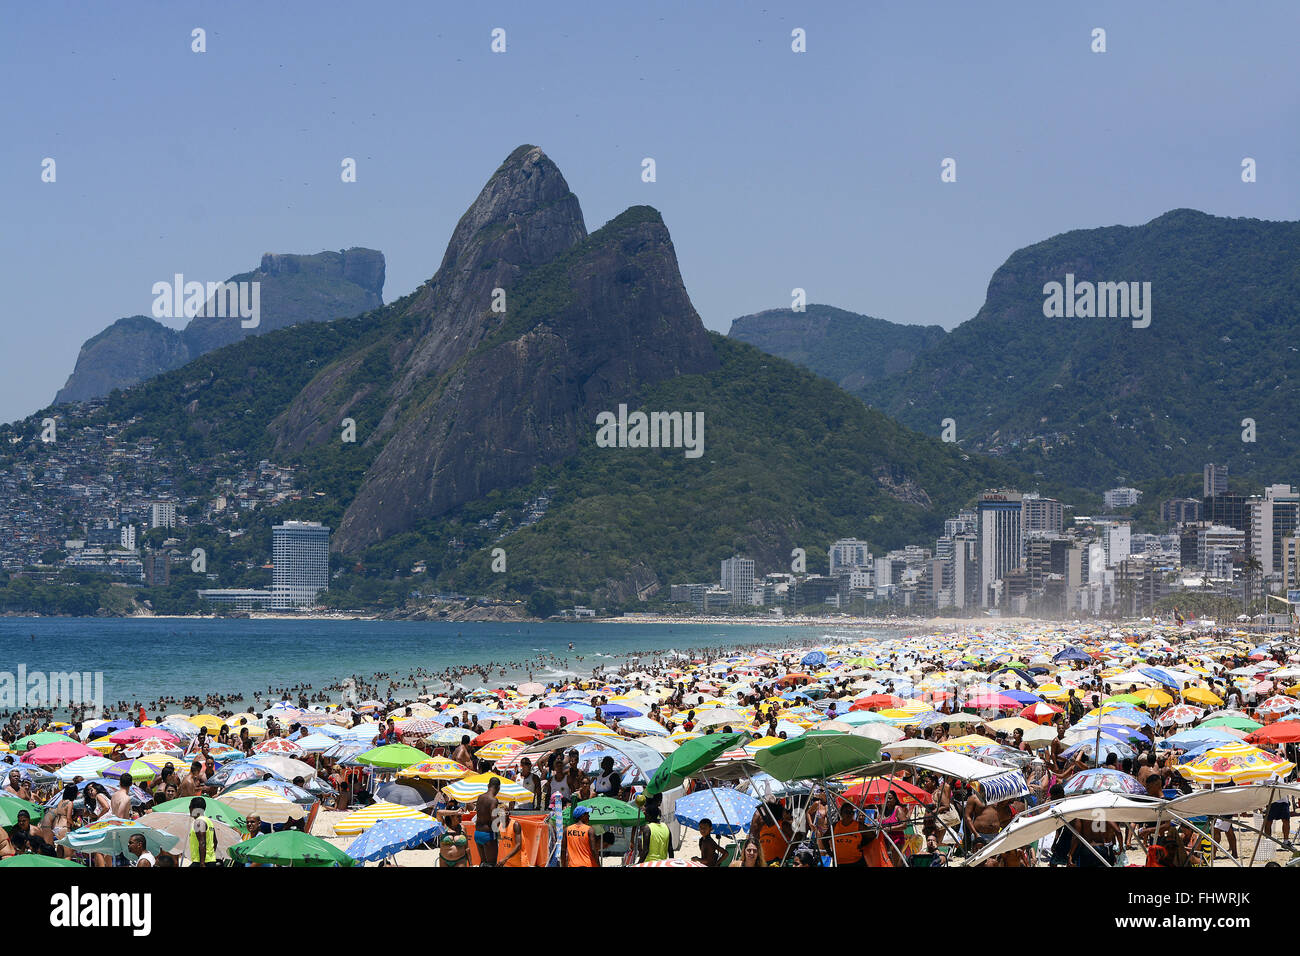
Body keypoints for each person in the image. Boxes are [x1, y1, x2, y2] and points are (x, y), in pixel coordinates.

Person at [474, 777, 501, 866]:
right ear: (498, 788)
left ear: (488, 785)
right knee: (491, 864)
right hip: (487, 835)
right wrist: (498, 832)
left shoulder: (480, 797)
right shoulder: (494, 800)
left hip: (477, 833)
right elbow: (494, 819)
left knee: (483, 863)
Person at [188, 797, 218, 867]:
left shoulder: (198, 822)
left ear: (195, 808)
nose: (189, 809)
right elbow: (215, 841)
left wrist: (202, 863)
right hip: (210, 861)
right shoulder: (209, 821)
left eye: (190, 807)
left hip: (200, 862)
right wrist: (210, 856)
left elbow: (202, 842)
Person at [496, 801, 525, 867]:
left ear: (508, 814)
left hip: (520, 861)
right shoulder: (500, 825)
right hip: (509, 861)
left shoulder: (515, 825)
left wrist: (505, 858)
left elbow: (518, 845)